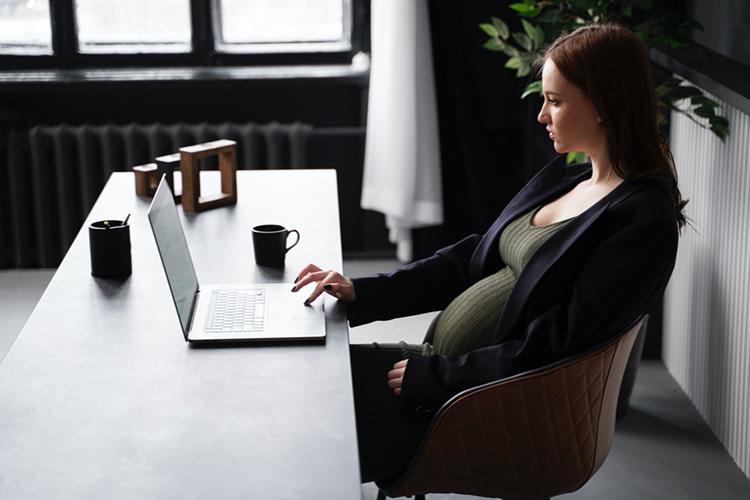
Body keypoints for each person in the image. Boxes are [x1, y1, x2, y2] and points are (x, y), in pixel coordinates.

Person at [292, 22, 685, 484]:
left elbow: (558, 345)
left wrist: (438, 379)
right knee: (299, 380)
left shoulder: (641, 221)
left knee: (300, 429)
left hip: (478, 405)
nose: (541, 115)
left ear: (607, 103)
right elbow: (471, 260)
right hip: (435, 369)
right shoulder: (575, 181)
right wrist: (364, 292)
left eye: (555, 101)